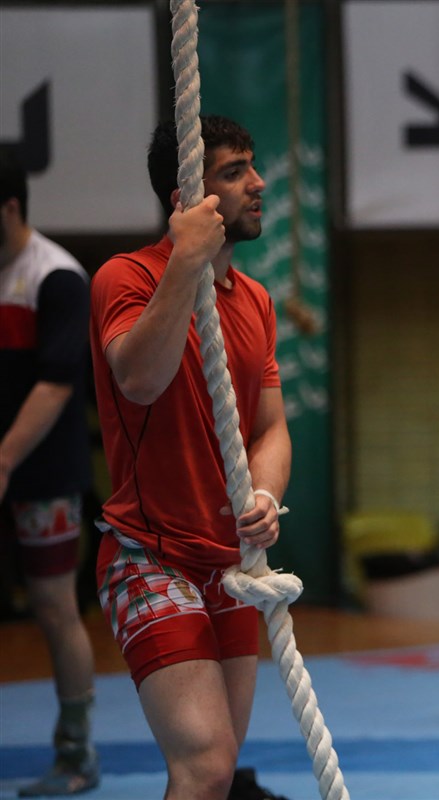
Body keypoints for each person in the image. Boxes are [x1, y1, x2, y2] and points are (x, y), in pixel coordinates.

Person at [89, 115, 291, 800]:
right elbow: (140, 379)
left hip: (227, 566)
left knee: (218, 774)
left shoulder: (256, 301)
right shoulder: (125, 277)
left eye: (251, 165)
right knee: (205, 765)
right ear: (188, 199)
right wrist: (185, 260)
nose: (257, 183)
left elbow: (271, 429)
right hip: (148, 555)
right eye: (233, 172)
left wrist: (264, 495)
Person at [0, 154, 100, 796]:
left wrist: (4, 458)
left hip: (44, 472)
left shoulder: (55, 277)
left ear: (10, 207)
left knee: (55, 607)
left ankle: (76, 752)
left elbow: (59, 383)